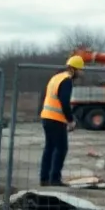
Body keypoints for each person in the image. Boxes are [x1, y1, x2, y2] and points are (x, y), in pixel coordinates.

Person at [39, 55, 83, 186]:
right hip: (56, 119)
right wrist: (70, 120)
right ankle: (55, 179)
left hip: (46, 116)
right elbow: (64, 102)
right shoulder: (66, 80)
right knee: (61, 148)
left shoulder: (56, 77)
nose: (82, 73)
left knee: (49, 148)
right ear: (74, 69)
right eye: (81, 70)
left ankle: (44, 178)